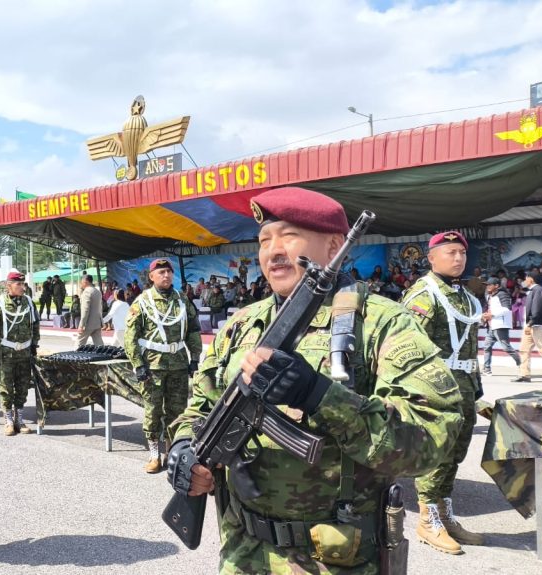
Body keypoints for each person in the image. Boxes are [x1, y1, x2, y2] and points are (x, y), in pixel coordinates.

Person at [168, 187, 462, 574]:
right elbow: (200, 406)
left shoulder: (379, 322)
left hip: (337, 558)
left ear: (334, 246)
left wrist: (319, 395)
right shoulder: (241, 326)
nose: (273, 251)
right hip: (242, 550)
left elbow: (432, 438)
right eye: (263, 241)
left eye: (288, 237)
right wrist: (185, 448)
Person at [401, 231, 486, 553]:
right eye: (450, 252)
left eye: (462, 253)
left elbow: (471, 347)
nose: (458, 258)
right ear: (431, 257)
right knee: (436, 454)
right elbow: (410, 350)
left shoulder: (463, 295)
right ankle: (427, 519)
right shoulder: (424, 295)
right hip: (436, 391)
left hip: (463, 387)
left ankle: (445, 513)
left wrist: (477, 391)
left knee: (455, 455)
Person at [125, 258, 202, 473]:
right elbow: (130, 337)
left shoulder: (182, 301)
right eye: (161, 272)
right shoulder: (141, 302)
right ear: (151, 277)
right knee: (153, 411)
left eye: (169, 271)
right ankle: (153, 455)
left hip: (178, 364)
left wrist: (195, 358)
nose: (166, 275)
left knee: (177, 412)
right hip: (153, 367)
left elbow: (193, 331)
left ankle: (172, 453)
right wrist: (138, 365)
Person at [0, 271, 40, 436]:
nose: (22, 287)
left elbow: (35, 325)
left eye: (23, 284)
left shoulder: (29, 303)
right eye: (18, 284)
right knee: (6, 387)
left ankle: (20, 419)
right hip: (5, 354)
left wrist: (34, 345)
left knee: (23, 386)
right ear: (8, 285)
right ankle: (9, 420)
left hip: (24, 353)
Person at [481, 277, 521, 375]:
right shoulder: (489, 295)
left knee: (506, 347)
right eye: (487, 285)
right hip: (491, 325)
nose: (487, 286)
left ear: (497, 286)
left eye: (490, 285)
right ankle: (486, 369)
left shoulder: (502, 294)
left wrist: (492, 314)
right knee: (487, 346)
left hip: (500, 325)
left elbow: (507, 309)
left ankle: (522, 364)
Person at [76, 274, 104, 347]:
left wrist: (82, 325)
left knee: (79, 344)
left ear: (86, 281)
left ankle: (75, 357)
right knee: (99, 345)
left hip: (88, 323)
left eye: (81, 282)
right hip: (97, 322)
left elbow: (85, 309)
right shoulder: (97, 291)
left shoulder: (87, 292)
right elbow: (100, 307)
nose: (80, 284)